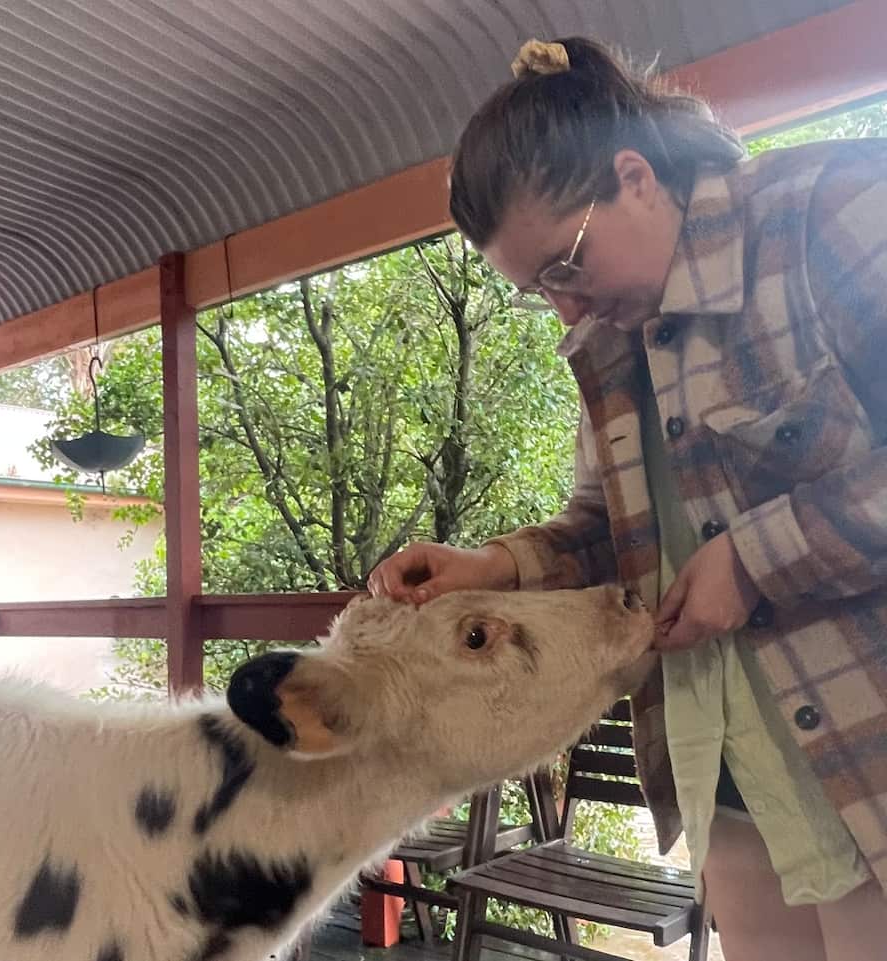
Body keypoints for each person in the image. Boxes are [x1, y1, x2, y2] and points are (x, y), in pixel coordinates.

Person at [368, 37, 887, 961]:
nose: (565, 307)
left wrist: (756, 560)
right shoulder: (612, 340)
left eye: (565, 264)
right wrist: (494, 567)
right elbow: (610, 533)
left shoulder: (832, 211)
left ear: (636, 176)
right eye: (539, 291)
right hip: (719, 768)